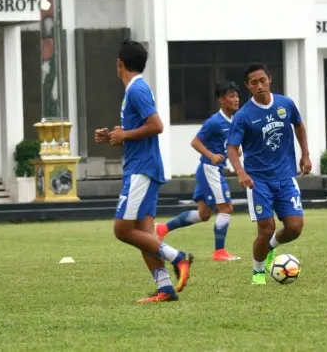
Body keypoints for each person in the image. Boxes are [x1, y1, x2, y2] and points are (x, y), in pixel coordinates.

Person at [94, 39, 193, 303]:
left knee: (122, 230)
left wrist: (125, 134)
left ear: (120, 64)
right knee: (143, 234)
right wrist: (116, 135)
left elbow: (157, 125)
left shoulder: (136, 90)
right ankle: (165, 289)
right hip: (144, 166)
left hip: (141, 169)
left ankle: (179, 258)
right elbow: (140, 129)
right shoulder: (135, 90)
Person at [227, 63, 311, 285]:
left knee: (294, 228)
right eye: (254, 83)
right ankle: (257, 271)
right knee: (266, 228)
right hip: (258, 181)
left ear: (270, 79)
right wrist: (241, 172)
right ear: (248, 86)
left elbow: (299, 126)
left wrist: (306, 155)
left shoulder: (285, 104)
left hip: (285, 176)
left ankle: (272, 246)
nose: (260, 86)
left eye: (262, 80)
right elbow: (232, 148)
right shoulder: (243, 115)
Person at [155, 82, 241, 261]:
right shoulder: (214, 122)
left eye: (237, 95)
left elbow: (227, 143)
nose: (236, 99)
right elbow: (195, 142)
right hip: (210, 170)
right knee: (226, 208)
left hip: (211, 170)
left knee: (203, 214)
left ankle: (162, 229)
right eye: (231, 96)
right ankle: (219, 252)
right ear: (221, 99)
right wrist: (211, 155)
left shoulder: (234, 120)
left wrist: (234, 151)